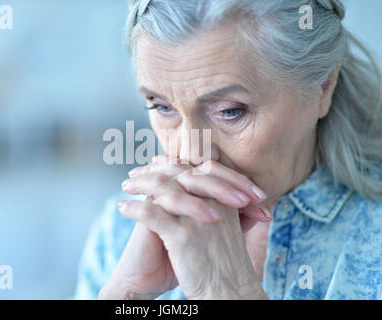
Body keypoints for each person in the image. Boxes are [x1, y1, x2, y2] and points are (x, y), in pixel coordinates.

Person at [74, 0, 382, 300]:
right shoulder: (120, 232)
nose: (189, 154)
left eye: (230, 111)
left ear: (323, 86)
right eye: (162, 107)